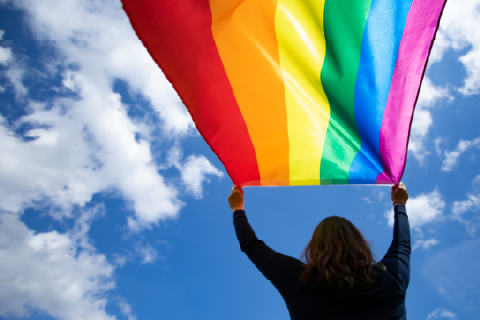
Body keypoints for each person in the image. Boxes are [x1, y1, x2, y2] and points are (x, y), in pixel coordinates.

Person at [228, 183, 411, 320]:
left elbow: (250, 244)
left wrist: (238, 209)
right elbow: (402, 243)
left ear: (315, 246)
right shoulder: (392, 277)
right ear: (359, 242)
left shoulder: (299, 280)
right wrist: (399, 204)